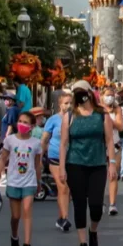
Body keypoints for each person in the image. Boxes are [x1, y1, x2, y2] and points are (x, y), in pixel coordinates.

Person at [60, 86, 117, 246]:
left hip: (97, 164)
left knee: (96, 205)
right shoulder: (69, 116)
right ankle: (82, 242)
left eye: (86, 95)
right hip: (75, 163)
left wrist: (112, 163)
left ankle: (93, 230)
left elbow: (109, 140)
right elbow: (64, 143)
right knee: (79, 203)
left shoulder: (102, 115)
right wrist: (62, 168)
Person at [0, 110, 42, 246]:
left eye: (26, 122)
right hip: (14, 181)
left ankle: (27, 244)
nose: (22, 124)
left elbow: (37, 164)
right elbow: (3, 158)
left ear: (32, 126)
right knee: (16, 216)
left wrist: (39, 181)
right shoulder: (10, 140)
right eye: (20, 121)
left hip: (29, 182)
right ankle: (14, 236)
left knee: (27, 210)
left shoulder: (36, 143)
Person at [43, 92, 73, 230]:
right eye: (66, 103)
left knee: (68, 190)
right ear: (60, 105)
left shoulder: (76, 119)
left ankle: (61, 216)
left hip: (71, 157)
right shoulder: (53, 120)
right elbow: (44, 140)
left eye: (71, 103)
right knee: (63, 187)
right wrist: (38, 157)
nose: (69, 106)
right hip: (55, 156)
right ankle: (65, 218)